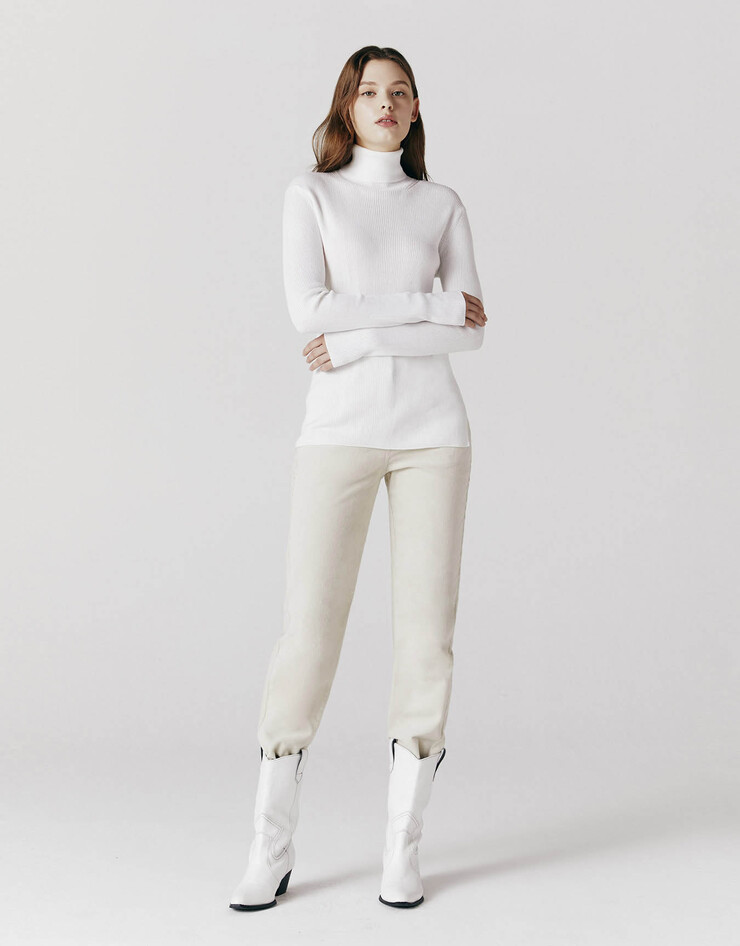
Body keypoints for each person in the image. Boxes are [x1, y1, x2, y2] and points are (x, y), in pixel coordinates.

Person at [229, 45, 487, 912]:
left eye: (400, 91)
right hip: (337, 435)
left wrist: (361, 336)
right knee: (307, 634)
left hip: (434, 437)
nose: (386, 103)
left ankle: (401, 851)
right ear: (347, 106)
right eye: (369, 91)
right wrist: (424, 306)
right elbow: (309, 310)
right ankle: (269, 848)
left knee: (427, 640)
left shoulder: (441, 205)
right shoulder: (311, 196)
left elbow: (469, 331)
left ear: (416, 110)